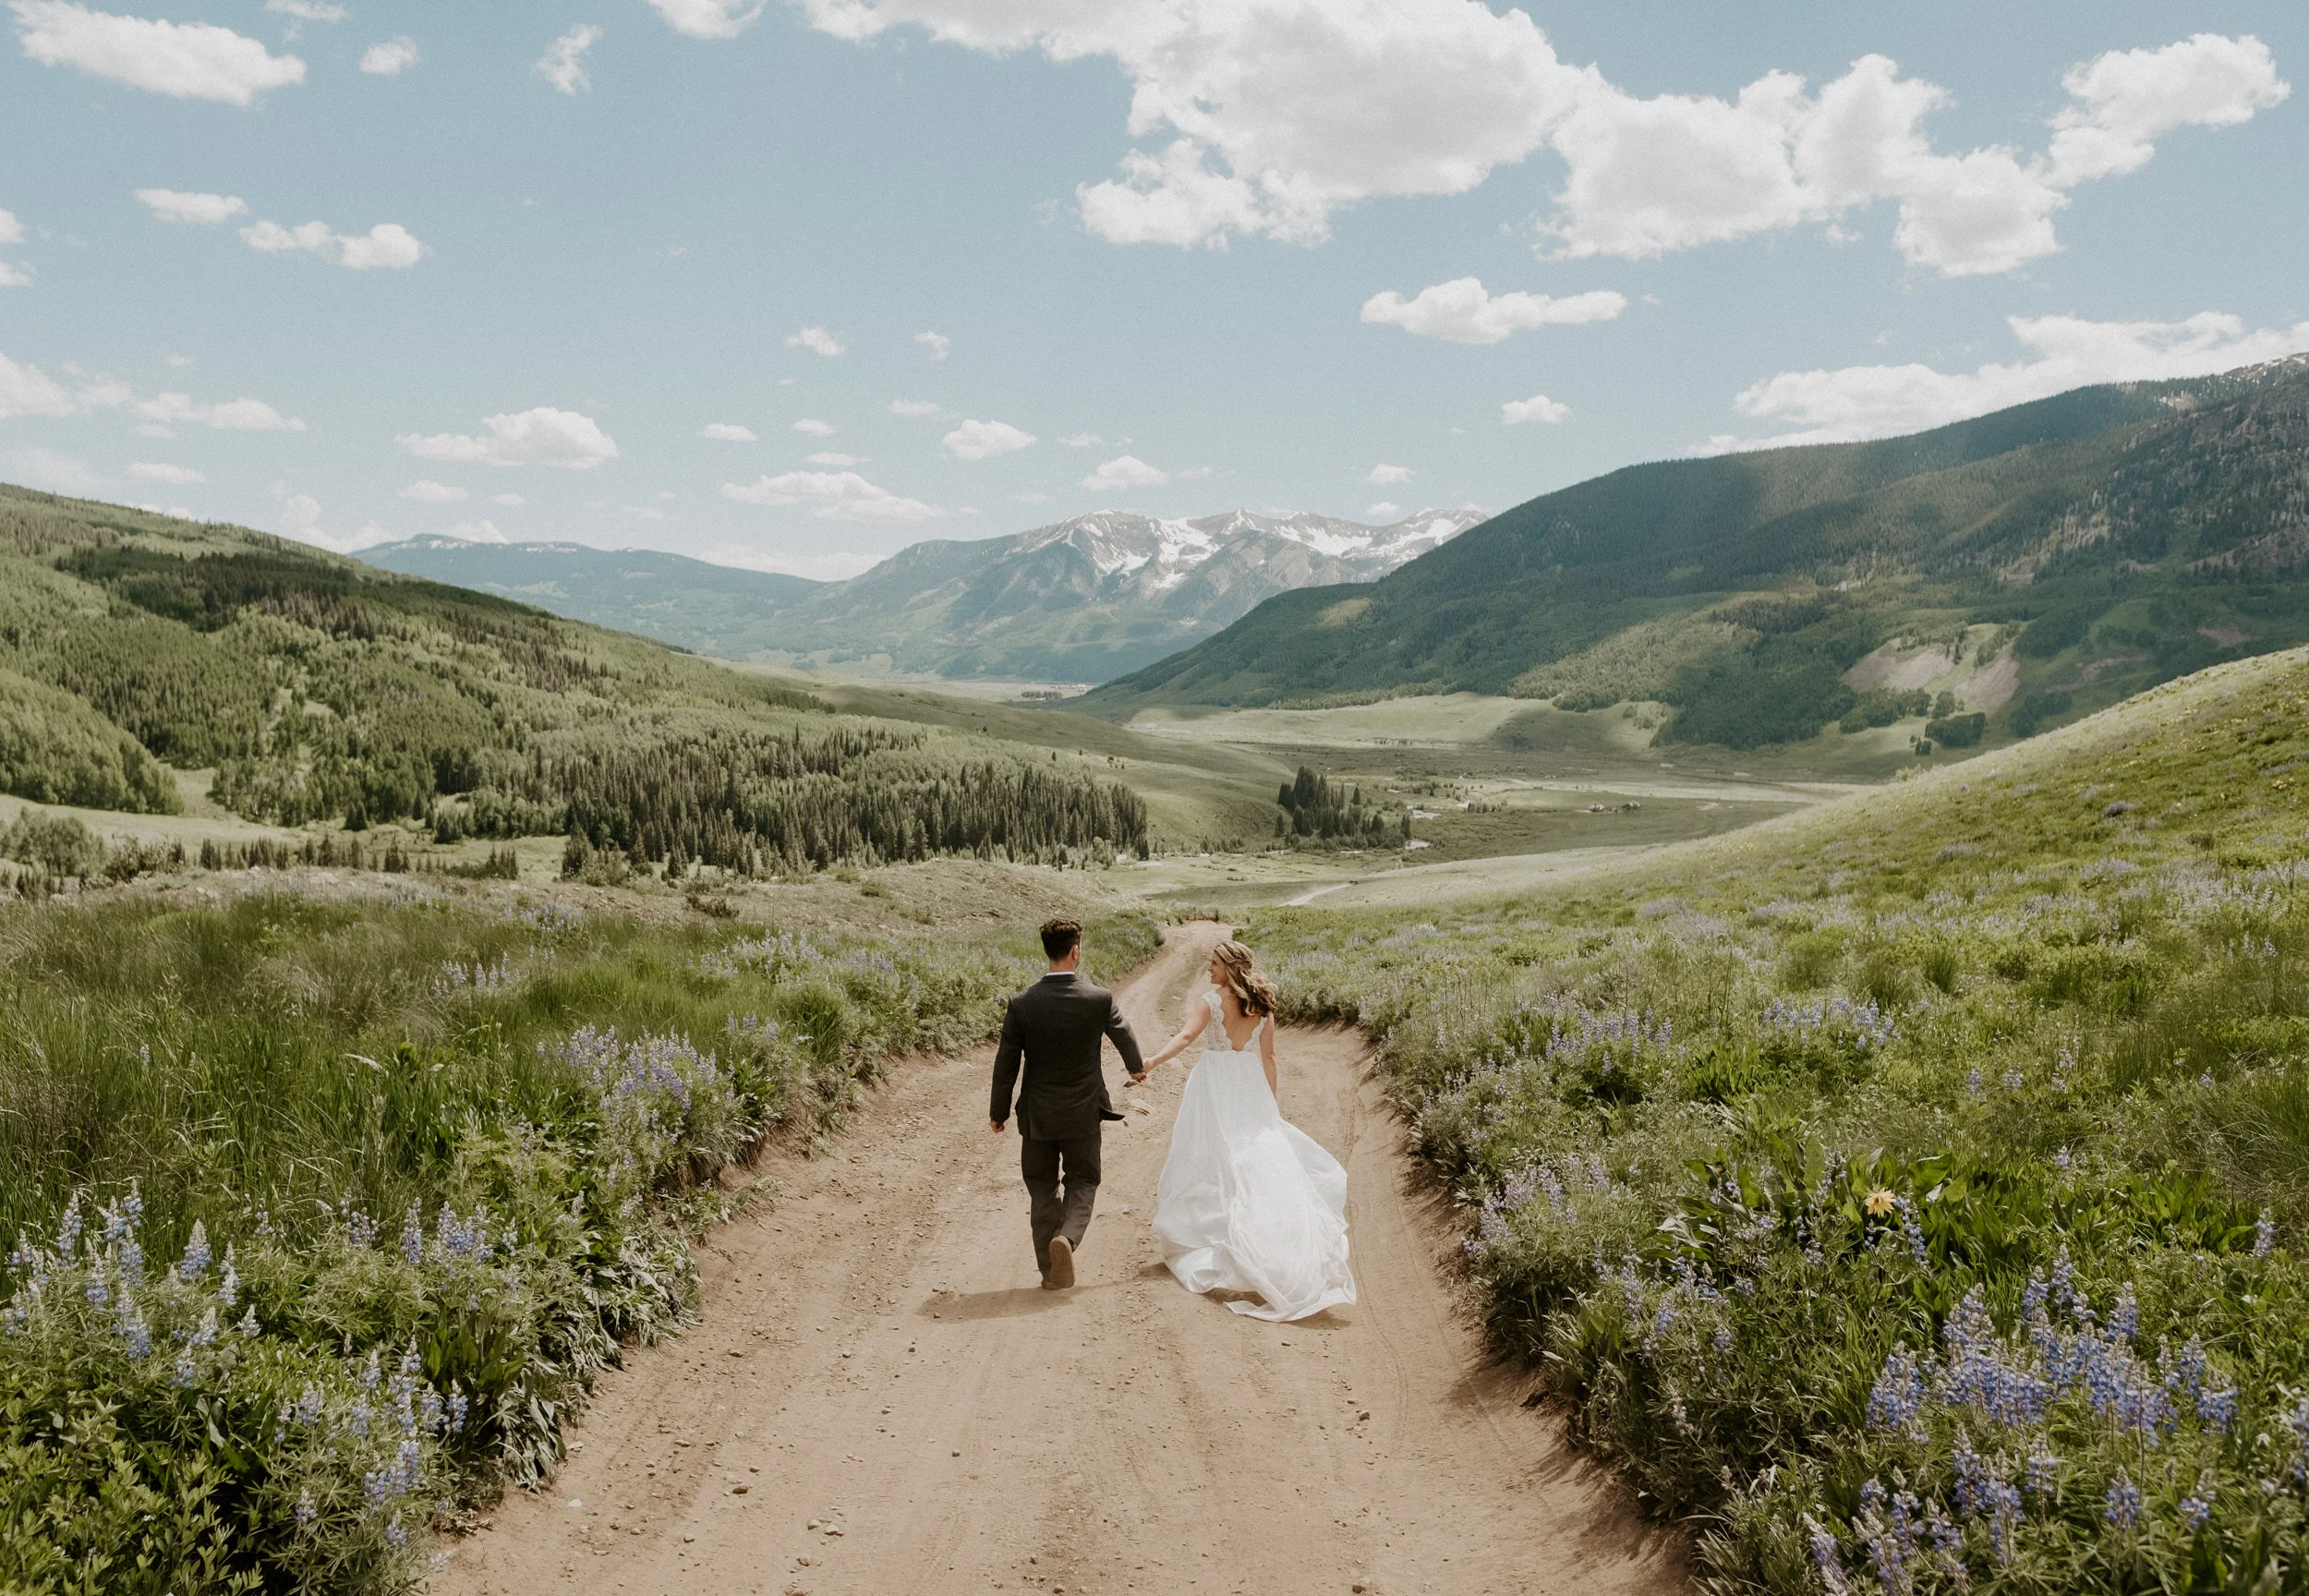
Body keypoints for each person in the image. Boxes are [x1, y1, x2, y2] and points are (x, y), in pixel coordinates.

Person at [1137, 938, 1356, 1322]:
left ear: (1230, 966)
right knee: (1250, 1156)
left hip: (1215, 1083)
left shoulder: (1210, 1002)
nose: (1209, 968)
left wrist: (1151, 1062)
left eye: (1214, 962)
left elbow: (1187, 1038)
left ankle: (1220, 1235)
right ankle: (1261, 1237)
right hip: (1249, 1082)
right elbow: (1269, 1057)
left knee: (1209, 1155)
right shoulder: (1263, 1007)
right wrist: (1269, 1102)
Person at [989, 917, 1145, 1289]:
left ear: (1046, 951)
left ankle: (1051, 1272)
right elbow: (1123, 1033)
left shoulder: (1022, 1004)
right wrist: (1136, 1068)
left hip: (1038, 1116)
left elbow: (1006, 1063)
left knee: (1042, 1187)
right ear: (1076, 951)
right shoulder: (1098, 998)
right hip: (1083, 1112)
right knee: (1084, 1179)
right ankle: (1068, 1237)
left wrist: (998, 1113)